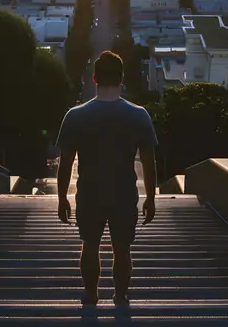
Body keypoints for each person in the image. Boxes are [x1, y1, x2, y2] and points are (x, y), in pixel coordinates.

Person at [56, 50, 158, 307]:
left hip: (89, 194)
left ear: (94, 79)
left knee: (89, 246)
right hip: (124, 194)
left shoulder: (75, 116)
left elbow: (65, 163)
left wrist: (61, 200)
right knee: (122, 249)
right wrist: (151, 199)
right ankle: (120, 297)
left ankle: (91, 296)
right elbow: (148, 161)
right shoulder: (139, 115)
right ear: (122, 79)